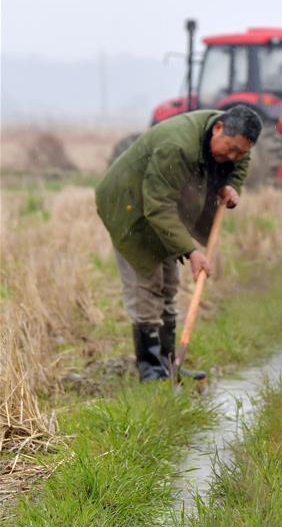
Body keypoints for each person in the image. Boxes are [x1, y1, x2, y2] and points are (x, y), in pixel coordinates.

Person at [95, 105, 261, 382]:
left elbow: (239, 165)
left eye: (240, 151)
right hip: (130, 208)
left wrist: (231, 185)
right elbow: (157, 207)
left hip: (164, 208)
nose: (233, 156)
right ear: (218, 128)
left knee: (168, 285)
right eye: (230, 148)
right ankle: (151, 371)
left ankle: (170, 364)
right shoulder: (177, 146)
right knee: (146, 284)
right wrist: (191, 251)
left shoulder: (238, 141)